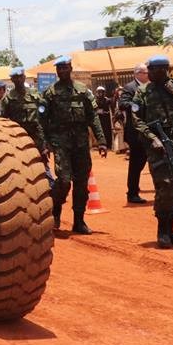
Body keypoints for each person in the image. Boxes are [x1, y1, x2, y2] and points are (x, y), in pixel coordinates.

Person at [131, 55, 173, 248]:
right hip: (157, 147)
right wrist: (152, 139)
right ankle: (162, 230)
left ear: (163, 71)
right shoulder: (143, 92)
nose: (149, 74)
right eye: (149, 70)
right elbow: (137, 120)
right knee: (164, 186)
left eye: (153, 70)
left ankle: (171, 229)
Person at [42, 56, 107, 233]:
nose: (62, 71)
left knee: (81, 183)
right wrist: (45, 143)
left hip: (80, 144)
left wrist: (101, 141)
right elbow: (42, 121)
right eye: (59, 69)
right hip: (60, 143)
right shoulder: (50, 93)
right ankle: (55, 210)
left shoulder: (82, 90)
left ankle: (79, 221)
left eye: (65, 68)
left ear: (70, 68)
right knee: (63, 181)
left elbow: (93, 117)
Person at [0, 67, 49, 159]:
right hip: (18, 138)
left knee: (42, 167)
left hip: (37, 138)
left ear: (24, 77)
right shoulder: (8, 99)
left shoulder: (35, 95)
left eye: (20, 77)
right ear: (11, 80)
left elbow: (45, 117)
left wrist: (45, 144)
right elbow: (2, 121)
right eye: (15, 77)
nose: (18, 79)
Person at [119, 63, 150, 204]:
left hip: (149, 130)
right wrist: (136, 105)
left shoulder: (150, 86)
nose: (148, 74)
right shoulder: (130, 87)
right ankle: (132, 193)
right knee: (136, 164)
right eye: (145, 72)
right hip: (135, 132)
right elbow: (122, 104)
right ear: (137, 73)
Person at [95, 86, 114, 154]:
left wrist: (107, 113)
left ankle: (109, 144)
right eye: (99, 92)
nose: (100, 94)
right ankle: (101, 144)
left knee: (107, 131)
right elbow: (94, 109)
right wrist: (98, 111)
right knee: (100, 131)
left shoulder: (107, 100)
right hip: (99, 119)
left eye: (101, 92)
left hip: (106, 119)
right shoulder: (95, 101)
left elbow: (111, 109)